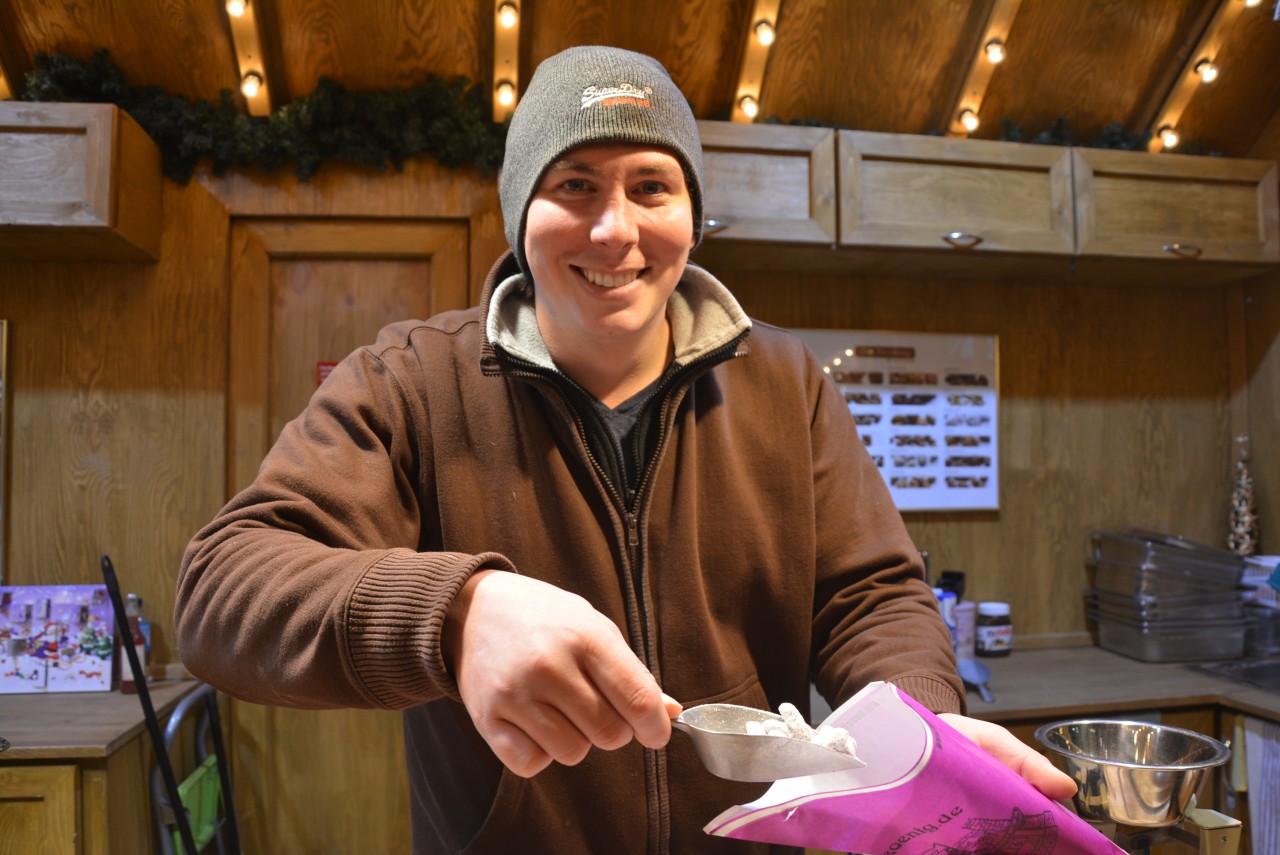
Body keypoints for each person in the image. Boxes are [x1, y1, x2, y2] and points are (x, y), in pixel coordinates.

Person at [176, 45, 1073, 854]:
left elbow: (870, 594)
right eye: (574, 185)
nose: (616, 230)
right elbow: (223, 588)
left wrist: (922, 735)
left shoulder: (786, 382)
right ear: (521, 213)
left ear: (691, 213)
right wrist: (456, 614)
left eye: (651, 185)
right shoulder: (410, 381)